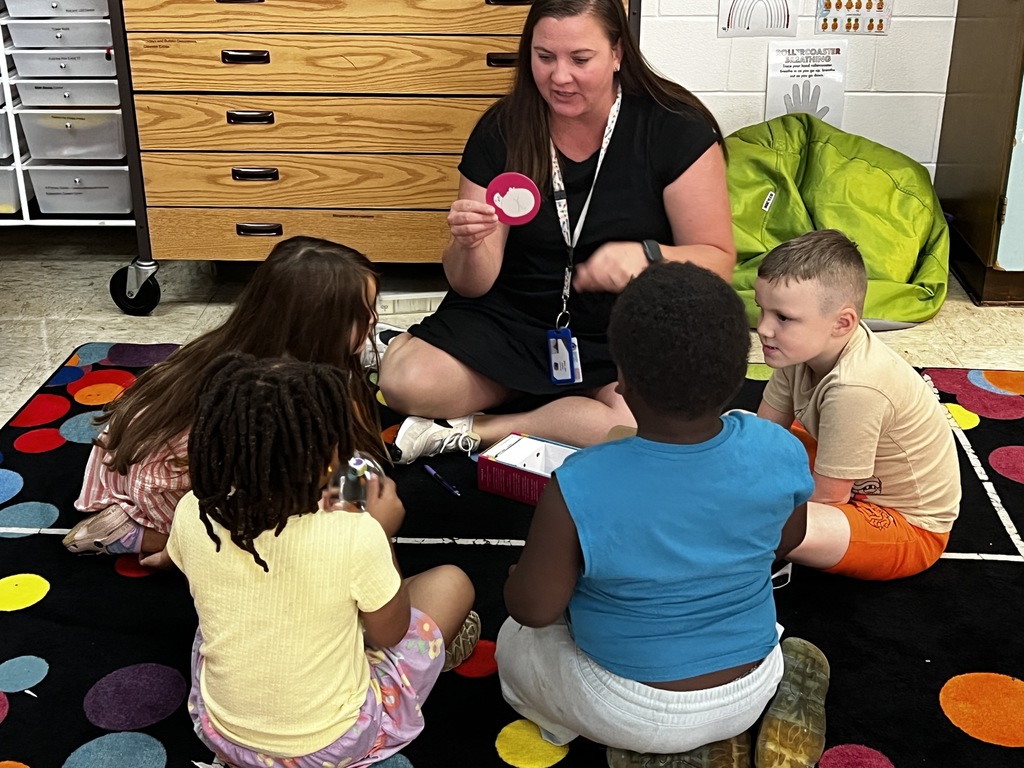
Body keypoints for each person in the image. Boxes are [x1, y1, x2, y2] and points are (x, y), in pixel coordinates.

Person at [495, 261, 829, 768]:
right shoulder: (779, 448)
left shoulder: (581, 480)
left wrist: (518, 580)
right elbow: (787, 540)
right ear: (740, 373)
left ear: (621, 381)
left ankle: (572, 726)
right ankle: (741, 725)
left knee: (517, 645)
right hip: (753, 683)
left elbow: (534, 609)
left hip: (629, 704)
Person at [378, 0, 737, 464]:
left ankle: (482, 426)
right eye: (544, 57)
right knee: (404, 384)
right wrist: (467, 244)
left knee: (641, 436)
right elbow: (472, 283)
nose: (559, 77)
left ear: (617, 54)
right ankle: (551, 405)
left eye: (580, 59)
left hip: (620, 329)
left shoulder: (675, 129)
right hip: (511, 316)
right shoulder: (502, 129)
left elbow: (718, 262)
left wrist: (648, 257)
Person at [166, 353, 480, 768]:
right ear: (327, 461)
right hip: (328, 745)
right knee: (452, 585)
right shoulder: (354, 532)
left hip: (221, 732)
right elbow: (390, 632)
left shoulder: (193, 510)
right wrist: (379, 533)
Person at [64, 236, 388, 563]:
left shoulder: (247, 341)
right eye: (363, 314)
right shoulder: (272, 395)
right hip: (158, 491)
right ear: (317, 327)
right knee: (304, 532)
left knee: (353, 479)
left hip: (131, 459)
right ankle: (139, 533)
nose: (374, 320)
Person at [754, 230, 961, 581]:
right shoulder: (797, 350)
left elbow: (827, 501)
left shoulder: (855, 387)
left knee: (765, 524)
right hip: (845, 477)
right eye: (762, 310)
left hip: (906, 525)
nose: (763, 329)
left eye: (783, 317)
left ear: (842, 323)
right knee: (738, 428)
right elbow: (761, 437)